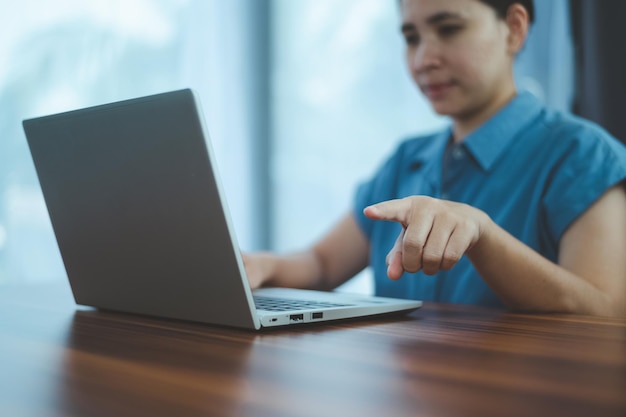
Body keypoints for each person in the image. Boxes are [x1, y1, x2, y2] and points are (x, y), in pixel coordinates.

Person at [243, 0, 626, 317]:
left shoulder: (583, 156)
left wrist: (483, 234)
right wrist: (258, 266)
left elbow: (605, 313)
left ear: (514, 28)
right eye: (411, 38)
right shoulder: (406, 159)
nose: (423, 59)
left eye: (449, 29)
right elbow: (322, 264)